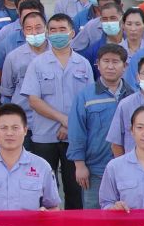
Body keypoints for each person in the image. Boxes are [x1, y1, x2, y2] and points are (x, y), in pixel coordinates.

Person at [15, 12, 93, 210]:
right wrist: (63, 119)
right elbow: (34, 100)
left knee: (74, 189)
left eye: (62, 30)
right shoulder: (38, 64)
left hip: (74, 138)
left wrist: (70, 125)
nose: (58, 34)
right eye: (53, 30)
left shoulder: (83, 64)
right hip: (44, 137)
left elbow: (88, 102)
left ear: (72, 33)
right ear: (48, 34)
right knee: (43, 189)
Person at [66, 43, 130, 208]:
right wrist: (79, 165)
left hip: (129, 170)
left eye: (115, 62)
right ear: (98, 65)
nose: (110, 66)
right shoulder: (85, 96)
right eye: (106, 61)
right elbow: (76, 132)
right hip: (95, 170)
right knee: (94, 217)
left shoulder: (133, 96)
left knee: (127, 214)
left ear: (125, 66)